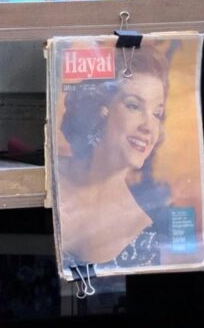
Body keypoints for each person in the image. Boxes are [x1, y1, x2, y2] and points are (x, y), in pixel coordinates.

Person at [54, 43, 174, 272]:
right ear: (102, 108)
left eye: (157, 114)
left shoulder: (144, 230)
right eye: (134, 106)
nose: (149, 126)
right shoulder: (51, 175)